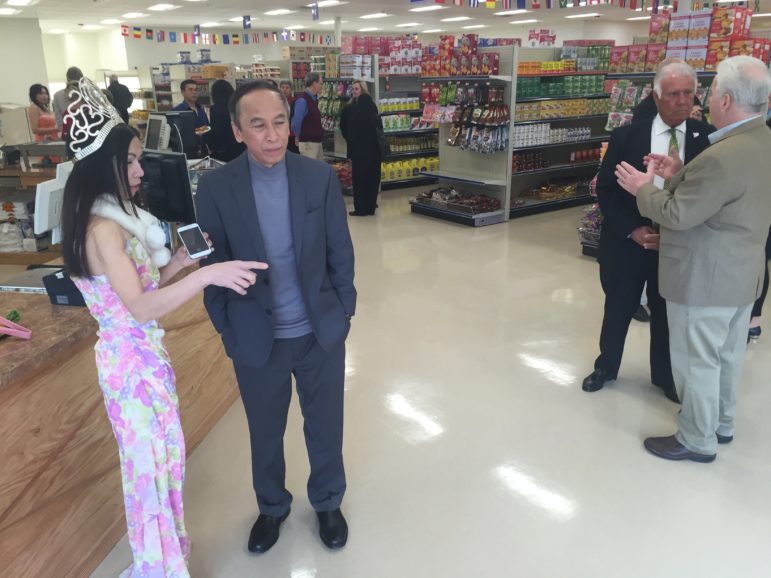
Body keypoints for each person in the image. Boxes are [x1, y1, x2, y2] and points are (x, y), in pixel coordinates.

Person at [60, 77, 266, 576]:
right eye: (130, 161)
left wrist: (179, 262)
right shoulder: (103, 229)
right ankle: (159, 568)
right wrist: (208, 276)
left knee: (164, 464)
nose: (139, 170)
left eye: (138, 159)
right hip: (130, 368)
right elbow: (139, 309)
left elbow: (140, 291)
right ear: (102, 164)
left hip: (143, 360)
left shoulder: (115, 222)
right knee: (149, 473)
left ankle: (167, 559)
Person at [196, 80, 356, 554]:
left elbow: (339, 250)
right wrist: (227, 328)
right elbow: (212, 267)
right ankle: (271, 506)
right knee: (264, 432)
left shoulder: (317, 177)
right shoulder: (216, 187)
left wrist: (343, 311)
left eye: (279, 122)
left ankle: (327, 500)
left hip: (318, 331)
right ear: (237, 131)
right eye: (258, 125)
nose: (271, 135)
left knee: (325, 425)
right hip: (255, 336)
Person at [615, 55, 771, 462]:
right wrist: (681, 173)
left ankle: (696, 438)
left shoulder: (722, 156)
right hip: (742, 275)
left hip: (705, 279)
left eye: (711, 91)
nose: (703, 100)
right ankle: (721, 423)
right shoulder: (762, 142)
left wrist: (643, 188)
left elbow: (677, 214)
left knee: (697, 361)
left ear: (727, 100)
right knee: (727, 356)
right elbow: (726, 199)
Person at [582, 60, 714, 402]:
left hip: (676, 245)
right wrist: (633, 230)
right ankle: (606, 366)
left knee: (667, 313)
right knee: (618, 308)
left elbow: (707, 195)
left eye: (688, 93)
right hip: (629, 243)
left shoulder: (706, 139)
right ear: (656, 97)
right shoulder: (626, 136)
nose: (682, 101)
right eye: (673, 94)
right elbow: (606, 190)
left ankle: (665, 376)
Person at [343, 80, 383, 216]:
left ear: (362, 90)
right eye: (353, 89)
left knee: (360, 179)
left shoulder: (350, 109)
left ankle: (360, 209)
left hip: (359, 150)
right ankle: (370, 207)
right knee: (373, 178)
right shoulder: (372, 106)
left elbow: (345, 129)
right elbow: (378, 126)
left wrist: (350, 142)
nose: (354, 91)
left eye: (356, 89)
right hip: (374, 150)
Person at [206, 79, 245, 162]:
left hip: (225, 152)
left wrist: (205, 136)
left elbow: (218, 132)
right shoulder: (239, 106)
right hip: (242, 147)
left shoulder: (216, 109)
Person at [291, 72, 324, 160]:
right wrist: (297, 136)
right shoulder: (303, 100)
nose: (321, 86)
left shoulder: (312, 99)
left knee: (318, 167)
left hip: (315, 142)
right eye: (320, 83)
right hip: (308, 144)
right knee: (310, 168)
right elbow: (296, 122)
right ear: (314, 83)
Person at [279, 79, 299, 154]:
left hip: (291, 134)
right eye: (282, 87)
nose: (284, 90)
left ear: (291, 90)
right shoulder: (277, 102)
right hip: (280, 134)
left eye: (287, 88)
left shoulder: (295, 102)